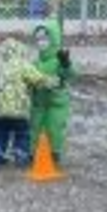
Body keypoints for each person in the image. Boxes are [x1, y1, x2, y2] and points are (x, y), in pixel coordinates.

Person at [0, 38, 57, 167]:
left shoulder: (4, 66)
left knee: (0, 133)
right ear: (21, 51)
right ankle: (20, 155)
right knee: (22, 133)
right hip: (18, 110)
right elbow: (38, 79)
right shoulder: (23, 65)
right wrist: (52, 82)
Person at [30, 19, 75, 163]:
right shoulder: (36, 62)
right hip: (38, 102)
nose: (41, 42)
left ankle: (55, 153)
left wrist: (66, 64)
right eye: (38, 39)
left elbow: (70, 74)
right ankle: (33, 153)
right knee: (35, 128)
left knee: (54, 128)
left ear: (53, 39)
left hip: (56, 103)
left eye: (44, 38)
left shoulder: (58, 59)